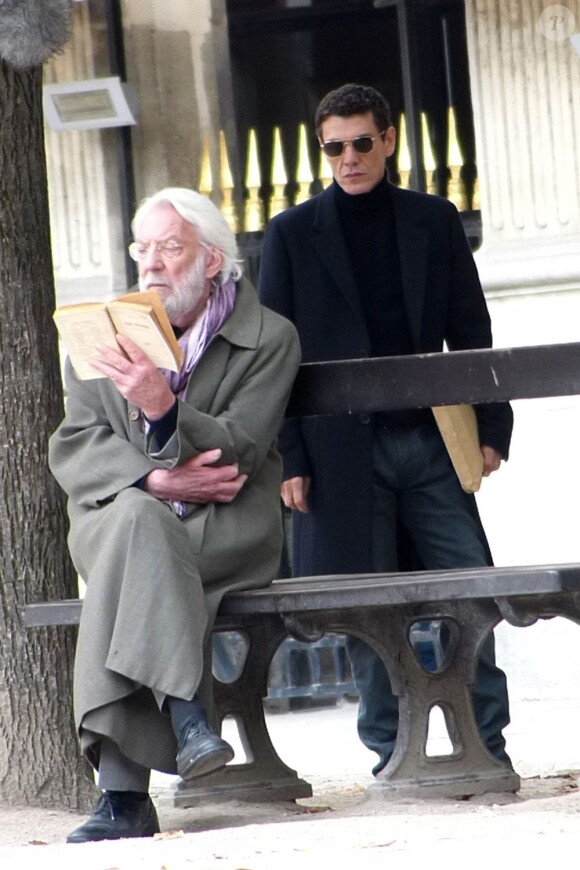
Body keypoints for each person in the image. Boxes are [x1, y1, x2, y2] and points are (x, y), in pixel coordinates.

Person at [258, 84, 514, 776]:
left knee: (472, 590)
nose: (348, 158)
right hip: (343, 451)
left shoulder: (433, 220)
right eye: (334, 147)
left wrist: (493, 423)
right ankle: (389, 752)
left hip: (434, 440)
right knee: (366, 609)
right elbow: (276, 358)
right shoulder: (289, 233)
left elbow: (472, 331)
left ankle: (487, 741)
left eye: (361, 143)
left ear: (389, 140)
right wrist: (291, 457)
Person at [49, 188, 301, 843]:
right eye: (143, 248)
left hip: (226, 529)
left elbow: (241, 447)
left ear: (212, 261)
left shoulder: (270, 338)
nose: (152, 263)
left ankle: (124, 799)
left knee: (136, 546)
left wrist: (166, 409)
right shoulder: (104, 333)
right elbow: (73, 445)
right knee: (139, 520)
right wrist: (155, 477)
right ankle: (188, 720)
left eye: (170, 247)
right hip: (117, 519)